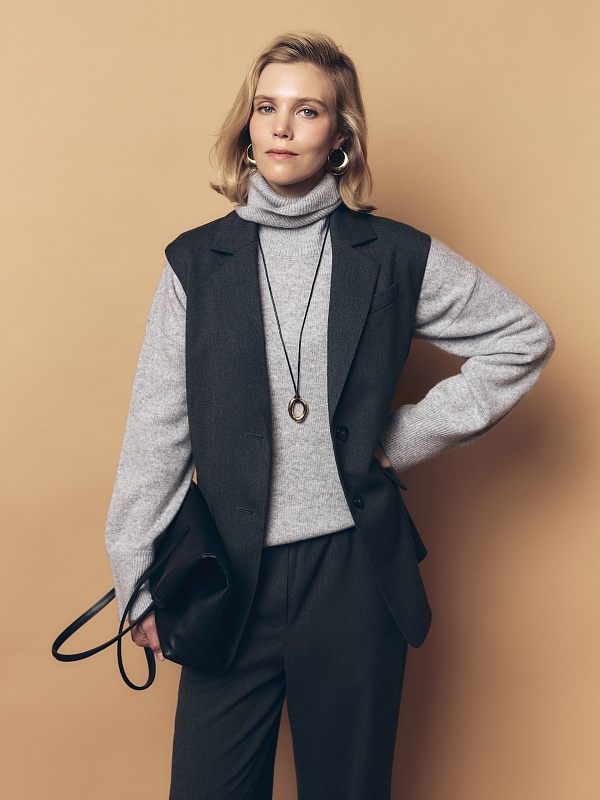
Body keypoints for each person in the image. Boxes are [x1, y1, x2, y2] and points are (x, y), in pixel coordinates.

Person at [105, 31, 554, 800]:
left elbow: (521, 339)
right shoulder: (195, 264)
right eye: (266, 108)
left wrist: (395, 440)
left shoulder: (392, 255)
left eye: (307, 110)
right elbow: (157, 430)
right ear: (246, 127)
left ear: (339, 136)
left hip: (353, 577)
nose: (282, 127)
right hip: (225, 577)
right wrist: (136, 579)